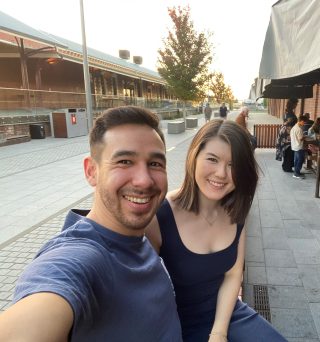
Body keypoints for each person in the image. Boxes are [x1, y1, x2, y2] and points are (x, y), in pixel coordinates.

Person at [0, 106, 182, 342]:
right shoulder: (80, 257)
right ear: (91, 171)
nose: (144, 180)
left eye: (155, 164)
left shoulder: (135, 232)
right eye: (125, 161)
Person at [146, 119, 287, 342]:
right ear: (194, 156)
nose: (222, 173)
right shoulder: (160, 215)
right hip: (176, 323)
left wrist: (219, 333)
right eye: (212, 159)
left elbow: (232, 275)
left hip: (227, 312)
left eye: (233, 165)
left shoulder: (237, 208)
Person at [290, 114, 308, 179]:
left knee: (297, 160)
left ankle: (296, 172)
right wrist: (305, 137)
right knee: (300, 160)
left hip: (294, 146)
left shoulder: (294, 127)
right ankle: (296, 174)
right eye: (304, 122)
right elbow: (300, 138)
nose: (304, 124)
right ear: (301, 121)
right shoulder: (299, 129)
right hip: (298, 146)